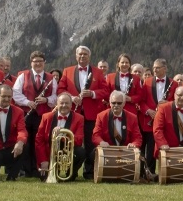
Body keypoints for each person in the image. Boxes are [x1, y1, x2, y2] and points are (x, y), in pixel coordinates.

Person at [58, 45, 110, 178]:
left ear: (89, 57)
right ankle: (71, 170)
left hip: (91, 113)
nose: (82, 56)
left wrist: (92, 93)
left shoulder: (98, 72)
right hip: (73, 112)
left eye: (85, 54)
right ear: (76, 56)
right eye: (80, 54)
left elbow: (105, 92)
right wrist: (72, 98)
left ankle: (89, 171)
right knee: (70, 141)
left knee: (90, 143)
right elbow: (60, 90)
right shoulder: (67, 71)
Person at [13, 50, 58, 179]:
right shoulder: (23, 76)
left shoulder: (51, 78)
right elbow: (15, 94)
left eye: (40, 61)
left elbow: (56, 96)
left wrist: (47, 100)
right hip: (26, 113)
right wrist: (28, 102)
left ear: (44, 63)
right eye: (35, 61)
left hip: (42, 115)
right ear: (31, 63)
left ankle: (38, 169)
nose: (37, 63)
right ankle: (25, 170)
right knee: (26, 142)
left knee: (39, 142)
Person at [34, 93, 86, 180]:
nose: (64, 105)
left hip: (67, 153)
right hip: (49, 153)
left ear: (71, 105)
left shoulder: (79, 118)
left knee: (80, 152)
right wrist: (43, 160)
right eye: (61, 103)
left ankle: (70, 174)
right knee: (44, 178)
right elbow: (39, 141)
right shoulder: (46, 117)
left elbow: (79, 140)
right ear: (56, 104)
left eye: (67, 103)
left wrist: (63, 134)